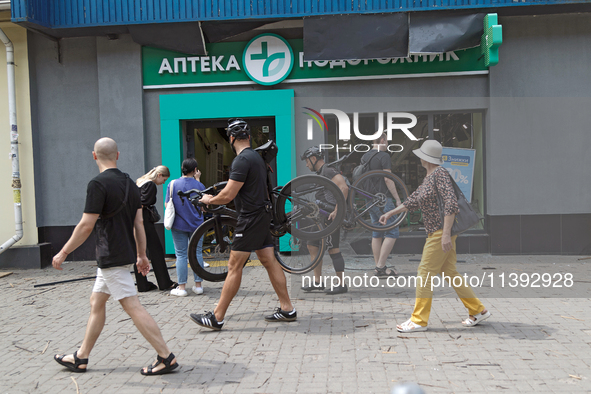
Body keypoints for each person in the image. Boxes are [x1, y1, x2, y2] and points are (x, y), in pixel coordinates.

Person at [52, 137, 178, 375]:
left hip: (110, 255)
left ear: (94, 156)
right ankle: (81, 357)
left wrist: (64, 251)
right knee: (97, 302)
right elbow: (139, 223)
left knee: (132, 306)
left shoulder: (97, 184)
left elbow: (86, 226)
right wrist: (141, 255)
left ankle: (166, 356)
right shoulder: (132, 183)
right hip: (123, 253)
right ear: (117, 156)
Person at [190, 118, 296, 330]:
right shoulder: (256, 157)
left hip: (250, 219)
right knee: (268, 260)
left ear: (230, 138)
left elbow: (229, 194)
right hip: (261, 215)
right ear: (248, 136)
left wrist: (208, 200)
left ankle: (217, 317)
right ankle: (287, 309)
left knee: (234, 266)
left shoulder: (241, 160)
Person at [379, 140, 490, 333]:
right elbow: (412, 201)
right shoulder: (429, 177)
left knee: (424, 273)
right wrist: (391, 213)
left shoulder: (439, 174)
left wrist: (445, 234)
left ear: (426, 158)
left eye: (421, 154)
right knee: (449, 273)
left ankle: (419, 320)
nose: (419, 157)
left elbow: (451, 204)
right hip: (438, 233)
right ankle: (478, 310)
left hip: (439, 233)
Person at [299, 146, 349, 295]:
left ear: (313, 159)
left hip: (330, 216)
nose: (307, 165)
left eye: (307, 162)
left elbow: (344, 188)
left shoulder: (327, 170)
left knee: (333, 248)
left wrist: (337, 210)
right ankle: (318, 282)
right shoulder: (321, 173)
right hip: (321, 216)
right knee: (312, 245)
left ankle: (341, 284)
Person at [361, 132, 403, 278]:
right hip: (383, 199)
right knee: (392, 231)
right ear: (383, 140)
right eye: (387, 141)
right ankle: (380, 267)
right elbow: (388, 179)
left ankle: (379, 266)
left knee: (377, 231)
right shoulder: (384, 156)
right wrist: (397, 199)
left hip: (369, 199)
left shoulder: (365, 156)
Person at [165, 158, 206, 296]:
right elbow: (204, 207)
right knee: (197, 253)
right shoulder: (200, 185)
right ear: (195, 170)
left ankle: (182, 288)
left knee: (181, 255)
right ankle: (198, 285)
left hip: (179, 224)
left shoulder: (172, 184)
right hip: (197, 225)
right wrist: (198, 179)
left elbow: (167, 205)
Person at [134, 166, 177, 292]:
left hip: (135, 220)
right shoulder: (150, 185)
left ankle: (142, 284)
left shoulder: (139, 182)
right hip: (145, 220)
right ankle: (164, 282)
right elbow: (143, 203)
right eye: (163, 179)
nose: (163, 183)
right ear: (159, 175)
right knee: (156, 251)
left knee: (138, 251)